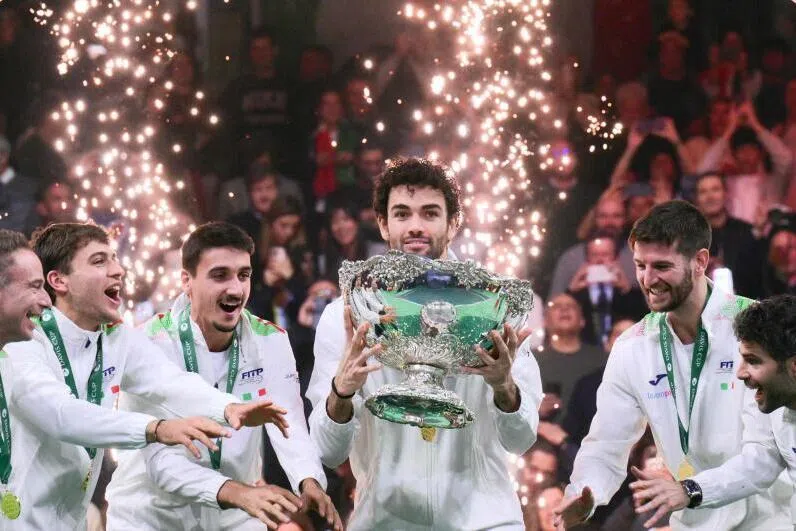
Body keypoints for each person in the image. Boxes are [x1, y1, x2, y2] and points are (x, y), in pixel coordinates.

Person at [306, 158, 542, 530]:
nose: (415, 226)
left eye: (430, 213)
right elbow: (326, 448)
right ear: (383, 224)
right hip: (385, 521)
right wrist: (343, 390)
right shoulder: (348, 314)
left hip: (485, 521)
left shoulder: (495, 309)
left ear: (453, 223)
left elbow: (522, 439)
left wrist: (504, 388)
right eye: (402, 214)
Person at [3, 222, 289, 530]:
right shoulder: (23, 339)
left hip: (70, 519)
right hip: (14, 517)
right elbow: (61, 415)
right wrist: (155, 428)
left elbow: (169, 381)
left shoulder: (115, 337)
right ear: (59, 281)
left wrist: (227, 408)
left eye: (114, 258)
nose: (118, 270)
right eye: (99, 261)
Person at [553, 200, 790, 530]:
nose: (648, 279)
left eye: (662, 266)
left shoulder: (755, 326)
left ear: (700, 262)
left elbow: (767, 454)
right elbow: (607, 441)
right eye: (640, 265)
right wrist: (584, 493)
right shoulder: (632, 347)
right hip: (692, 519)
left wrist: (691, 490)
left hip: (768, 519)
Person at [106, 222, 341, 530]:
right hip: (152, 514)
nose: (235, 289)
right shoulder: (147, 344)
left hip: (236, 514)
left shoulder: (270, 340)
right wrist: (237, 492)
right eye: (220, 275)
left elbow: (289, 423)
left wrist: (308, 479)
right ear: (186, 281)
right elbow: (161, 463)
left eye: (243, 275)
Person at [629, 294, 796, 528]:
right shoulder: (777, 407)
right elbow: (759, 460)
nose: (739, 373)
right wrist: (689, 490)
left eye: (753, 361)